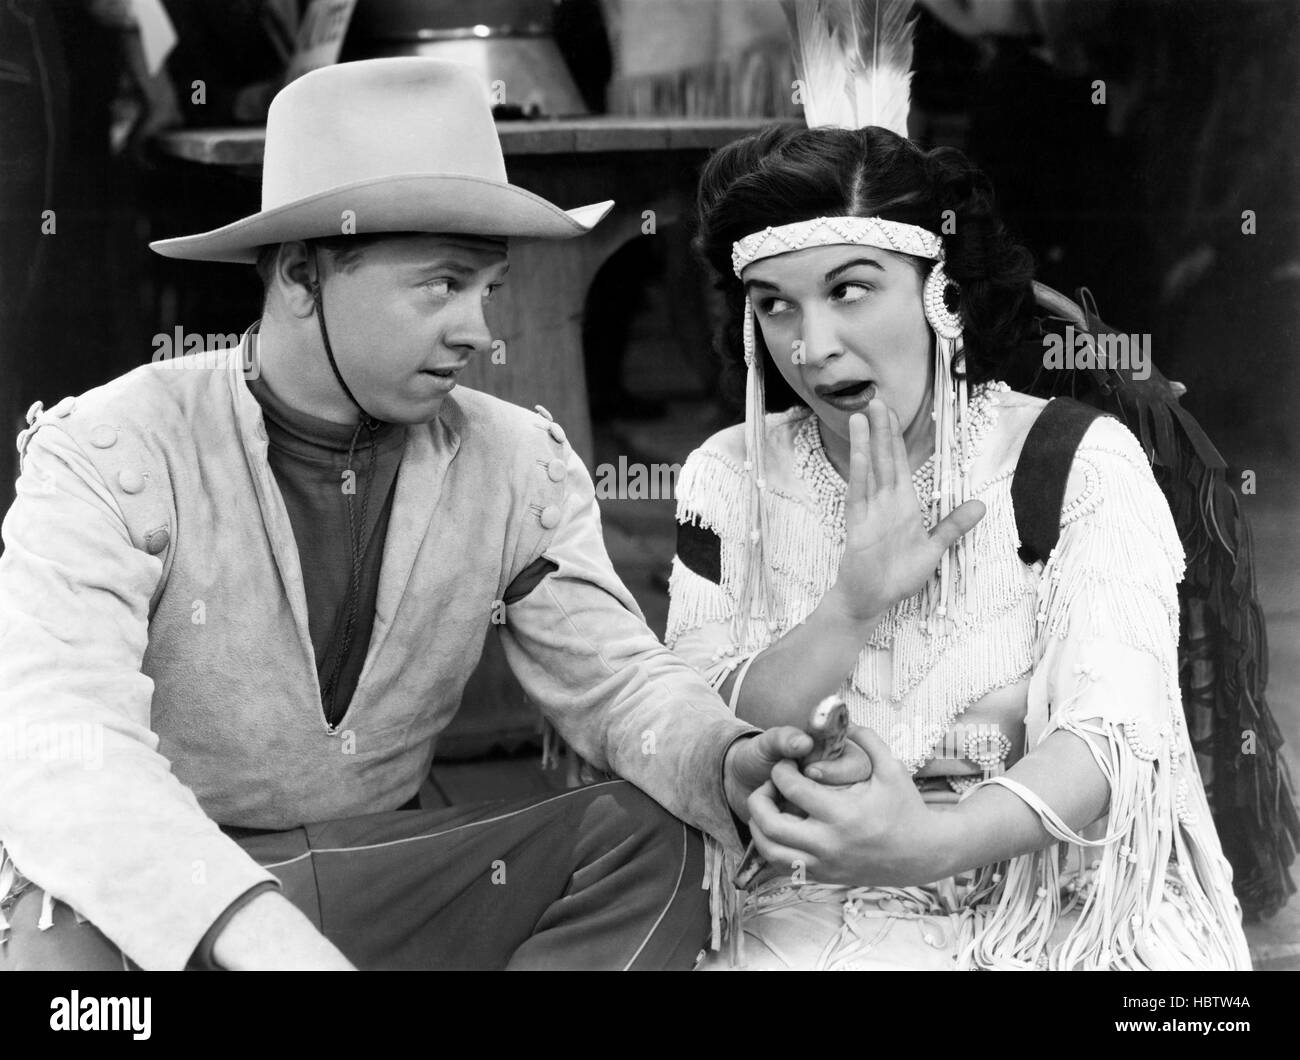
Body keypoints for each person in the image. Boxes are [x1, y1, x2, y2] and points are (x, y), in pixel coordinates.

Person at [0, 58, 871, 971]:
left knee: (659, 839)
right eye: (442, 285)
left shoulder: (517, 461)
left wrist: (723, 760)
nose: (480, 331)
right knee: (60, 939)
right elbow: (65, 742)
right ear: (301, 275)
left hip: (379, 871)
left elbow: (616, 683)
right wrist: (258, 937)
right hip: (169, 896)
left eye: (487, 289)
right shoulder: (110, 446)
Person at [666, 122, 1252, 969]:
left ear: (940, 291)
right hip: (813, 893)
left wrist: (928, 844)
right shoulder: (728, 475)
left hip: (1061, 894)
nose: (811, 344)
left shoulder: (1076, 461)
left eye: (851, 289)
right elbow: (698, 722)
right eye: (774, 302)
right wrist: (851, 605)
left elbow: (1116, 735)